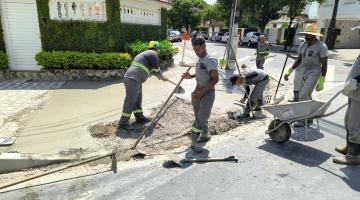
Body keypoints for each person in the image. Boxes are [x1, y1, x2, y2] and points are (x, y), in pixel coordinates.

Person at [284, 24, 328, 127]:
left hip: (314, 72)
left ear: (314, 35)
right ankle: (309, 118)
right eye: (305, 34)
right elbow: (299, 59)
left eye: (308, 35)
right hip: (304, 72)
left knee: (303, 95)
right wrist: (289, 71)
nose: (306, 36)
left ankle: (302, 120)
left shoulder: (321, 46)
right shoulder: (303, 45)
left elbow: (324, 64)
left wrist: (322, 80)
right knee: (304, 96)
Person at [181, 36, 219, 153]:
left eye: (198, 50)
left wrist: (202, 92)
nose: (196, 52)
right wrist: (190, 76)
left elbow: (215, 80)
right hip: (197, 92)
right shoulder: (199, 59)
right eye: (194, 50)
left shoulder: (210, 60)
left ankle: (193, 143)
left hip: (207, 94)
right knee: (199, 117)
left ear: (204, 46)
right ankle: (205, 135)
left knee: (200, 119)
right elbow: (200, 73)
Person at [119, 41, 168, 129]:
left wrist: (161, 76)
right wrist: (162, 77)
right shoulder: (153, 54)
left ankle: (140, 117)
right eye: (157, 50)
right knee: (130, 100)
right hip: (132, 79)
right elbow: (156, 69)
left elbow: (153, 70)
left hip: (135, 80)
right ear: (157, 49)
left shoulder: (146, 54)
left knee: (138, 99)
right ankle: (123, 122)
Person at [333, 55, 360, 165]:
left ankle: (354, 155)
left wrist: (357, 79)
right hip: (354, 91)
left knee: (355, 125)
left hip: (359, 95)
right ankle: (349, 147)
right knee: (348, 121)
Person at [286, 37, 306, 102]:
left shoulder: (305, 47)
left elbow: (299, 59)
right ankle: (297, 98)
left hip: (301, 69)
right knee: (298, 83)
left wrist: (291, 56)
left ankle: (297, 99)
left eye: (302, 41)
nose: (301, 43)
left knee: (298, 84)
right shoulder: (303, 46)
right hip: (299, 69)